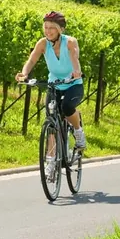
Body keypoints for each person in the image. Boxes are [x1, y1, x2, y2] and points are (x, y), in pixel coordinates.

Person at [15, 11, 86, 176]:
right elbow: (32, 59)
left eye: (51, 28)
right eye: (45, 28)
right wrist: (24, 73)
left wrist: (76, 71)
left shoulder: (70, 42)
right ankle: (50, 161)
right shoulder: (43, 43)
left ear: (60, 29)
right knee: (52, 123)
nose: (48, 31)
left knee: (67, 107)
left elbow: (75, 57)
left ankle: (78, 132)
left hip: (72, 84)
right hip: (54, 85)